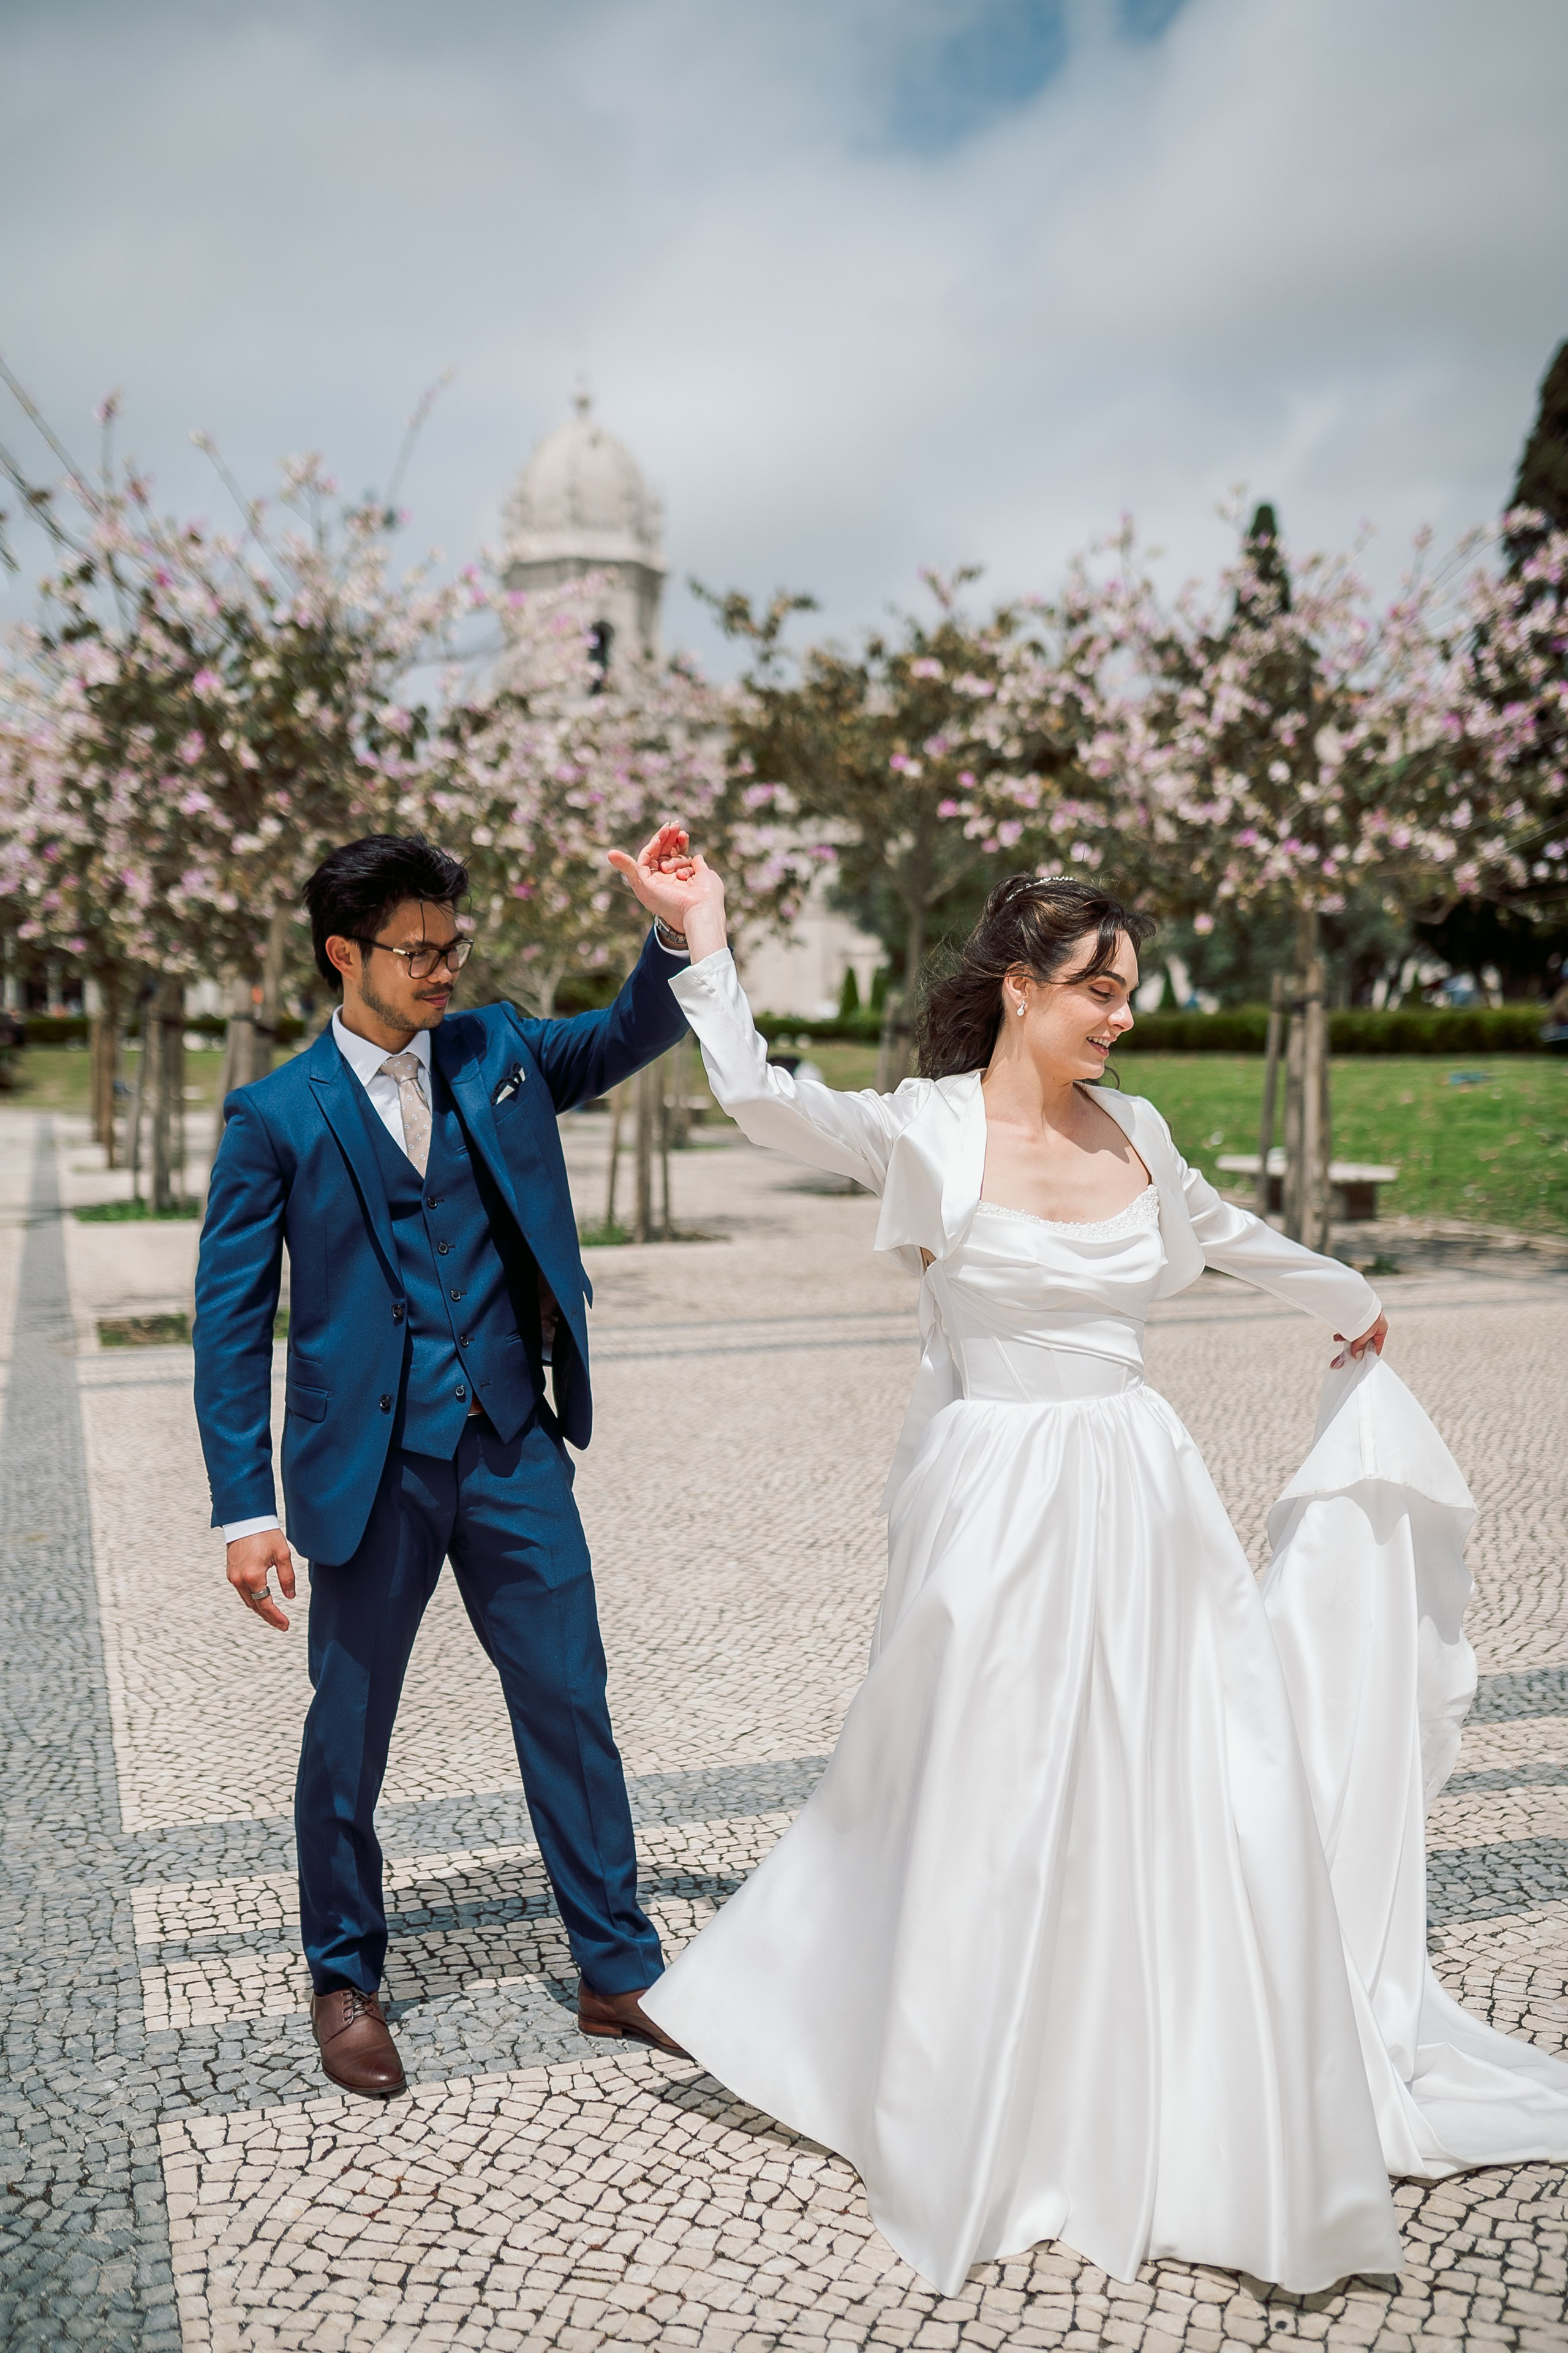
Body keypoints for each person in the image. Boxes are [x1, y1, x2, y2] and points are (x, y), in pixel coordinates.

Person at [627, 858, 1568, 2295]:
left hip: (1141, 1489)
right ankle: (973, 2086)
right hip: (994, 1503)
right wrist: (702, 939)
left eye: (1127, 992)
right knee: (989, 1790)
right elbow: (758, 1097)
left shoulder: (1136, 1127)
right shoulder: (927, 1130)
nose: (1119, 1017)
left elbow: (1228, 1233)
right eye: (1098, 989)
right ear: (1020, 986)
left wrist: (1349, 1296)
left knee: (1186, 1773)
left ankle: (1172, 2066)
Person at [194, 827, 698, 2096]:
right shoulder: (271, 1118)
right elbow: (229, 1315)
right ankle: (344, 1974)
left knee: (569, 1697)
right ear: (341, 955)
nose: (439, 970)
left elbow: (634, 1029)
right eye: (415, 952)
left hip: (508, 1443)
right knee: (349, 1732)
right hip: (363, 1468)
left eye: (448, 947)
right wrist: (244, 1506)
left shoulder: (498, 1051)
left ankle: (615, 1966)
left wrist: (676, 929)